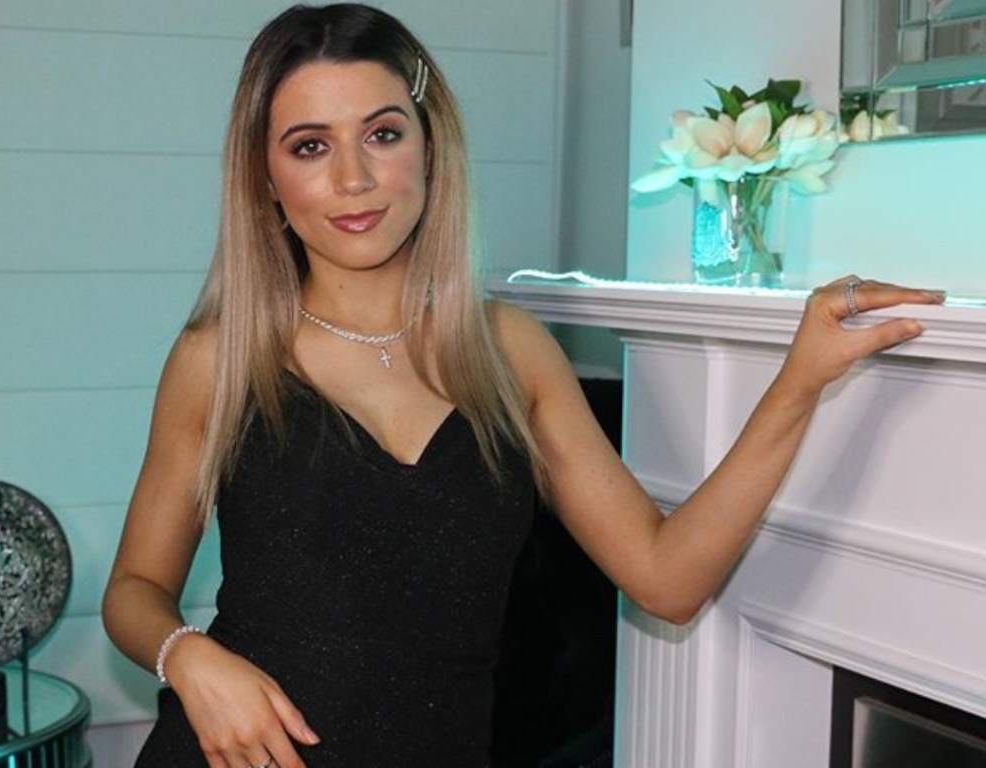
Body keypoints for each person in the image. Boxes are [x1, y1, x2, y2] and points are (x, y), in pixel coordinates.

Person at [100, 4, 945, 767]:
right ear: (266, 177)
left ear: (430, 147)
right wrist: (192, 659)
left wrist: (799, 379)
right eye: (310, 146)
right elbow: (134, 592)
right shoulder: (222, 359)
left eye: (383, 134)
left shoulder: (511, 352)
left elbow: (668, 580)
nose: (353, 178)